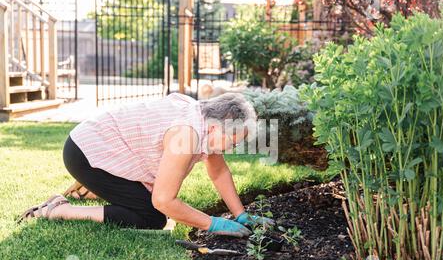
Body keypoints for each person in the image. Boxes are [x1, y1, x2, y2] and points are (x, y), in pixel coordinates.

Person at [18, 93, 274, 237]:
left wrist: (241, 214)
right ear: (219, 125)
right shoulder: (186, 134)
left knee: (150, 198)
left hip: (95, 143)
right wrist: (213, 223)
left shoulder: (202, 117)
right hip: (86, 153)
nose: (231, 147)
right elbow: (164, 201)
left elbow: (218, 171)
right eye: (232, 139)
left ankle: (93, 187)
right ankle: (58, 209)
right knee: (152, 216)